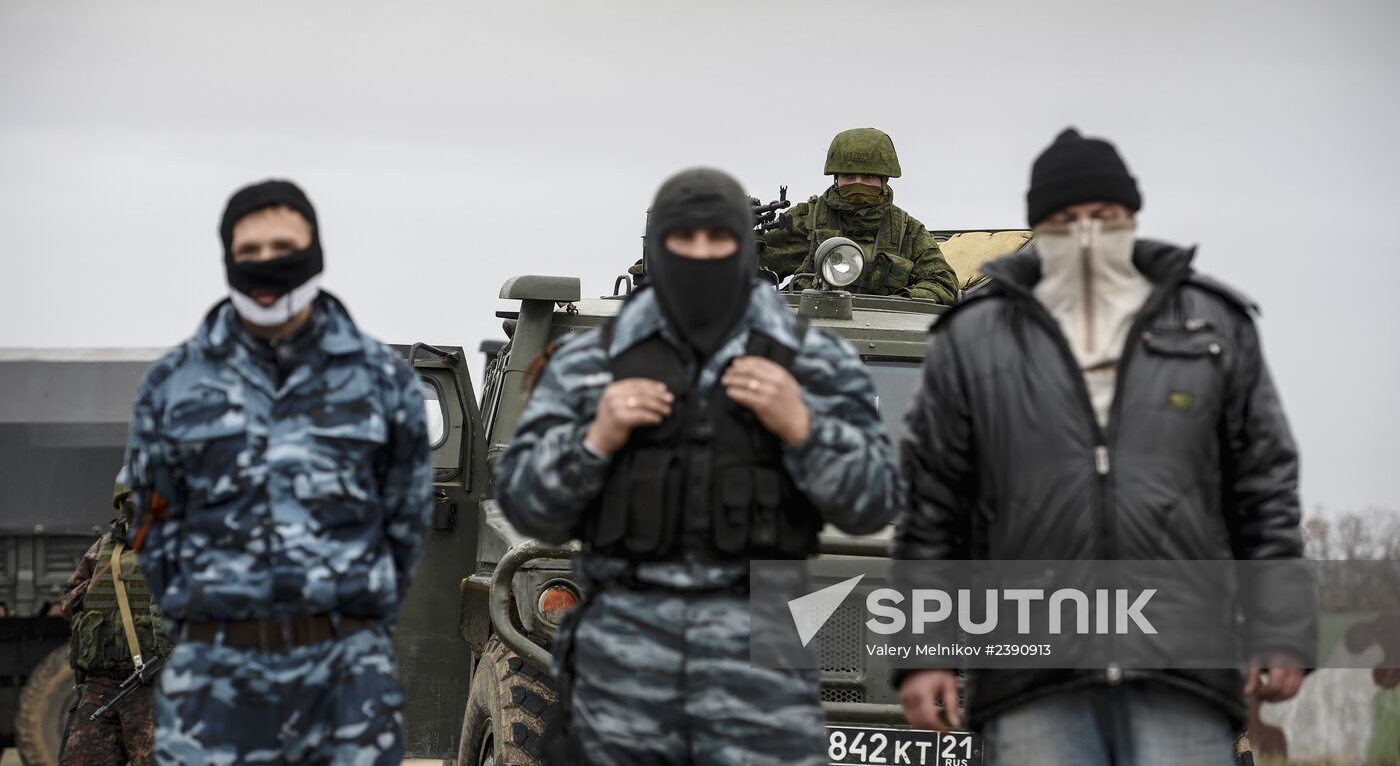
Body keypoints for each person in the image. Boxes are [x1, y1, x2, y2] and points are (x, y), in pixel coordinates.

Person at [896, 128, 1311, 765]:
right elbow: (934, 510)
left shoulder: (1212, 327)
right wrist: (926, 654)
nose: (1086, 233)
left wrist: (1279, 627)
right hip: (1030, 676)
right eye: (1065, 220)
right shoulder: (973, 340)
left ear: (1132, 218)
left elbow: (1264, 490)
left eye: (1103, 216)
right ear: (1039, 227)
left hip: (1182, 671)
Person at [496, 167, 898, 765]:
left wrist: (801, 427)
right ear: (660, 249)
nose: (702, 257)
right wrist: (596, 438)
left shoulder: (812, 362)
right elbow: (526, 504)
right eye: (686, 241)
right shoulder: (592, 363)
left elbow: (873, 502)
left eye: (720, 241)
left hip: (762, 660)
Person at [120, 179, 432, 765]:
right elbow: (153, 525)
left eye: (283, 246)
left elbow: (404, 524)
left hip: (345, 683)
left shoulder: (382, 381)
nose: (268, 264)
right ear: (229, 260)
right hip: (213, 682)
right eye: (250, 252)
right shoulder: (174, 383)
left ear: (315, 251)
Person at [761, 128, 959, 303]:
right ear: (836, 179)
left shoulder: (907, 231)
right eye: (849, 176)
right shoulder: (805, 221)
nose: (858, 183)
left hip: (881, 334)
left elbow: (944, 283)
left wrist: (899, 302)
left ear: (884, 180)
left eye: (868, 177)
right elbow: (748, 267)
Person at [57, 483, 171, 766]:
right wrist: (95, 591)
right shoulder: (104, 548)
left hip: (154, 689)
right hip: (100, 686)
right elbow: (69, 603)